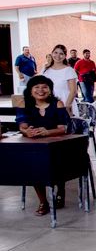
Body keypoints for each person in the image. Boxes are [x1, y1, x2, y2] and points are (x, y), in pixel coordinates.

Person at [15, 75, 70, 216]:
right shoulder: (24, 103)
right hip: (35, 144)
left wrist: (47, 132)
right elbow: (22, 125)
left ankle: (61, 189)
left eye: (45, 87)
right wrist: (27, 131)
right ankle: (43, 201)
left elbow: (63, 128)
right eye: (37, 87)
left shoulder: (58, 104)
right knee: (34, 165)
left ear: (50, 90)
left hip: (58, 143)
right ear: (30, 90)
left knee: (58, 160)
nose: (41, 90)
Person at [42, 44, 78, 116]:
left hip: (65, 103)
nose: (58, 56)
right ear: (52, 53)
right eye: (56, 53)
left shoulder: (69, 70)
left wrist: (67, 107)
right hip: (49, 104)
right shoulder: (46, 70)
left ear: (65, 56)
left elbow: (73, 91)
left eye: (61, 53)